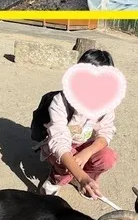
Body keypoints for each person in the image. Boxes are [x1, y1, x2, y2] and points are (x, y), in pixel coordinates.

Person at [39, 49, 119, 200]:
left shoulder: (106, 103)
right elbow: (59, 143)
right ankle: (55, 180)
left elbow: (106, 132)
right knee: (66, 159)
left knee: (108, 157)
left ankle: (85, 178)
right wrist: (81, 175)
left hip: (84, 142)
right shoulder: (61, 101)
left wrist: (87, 152)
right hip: (64, 144)